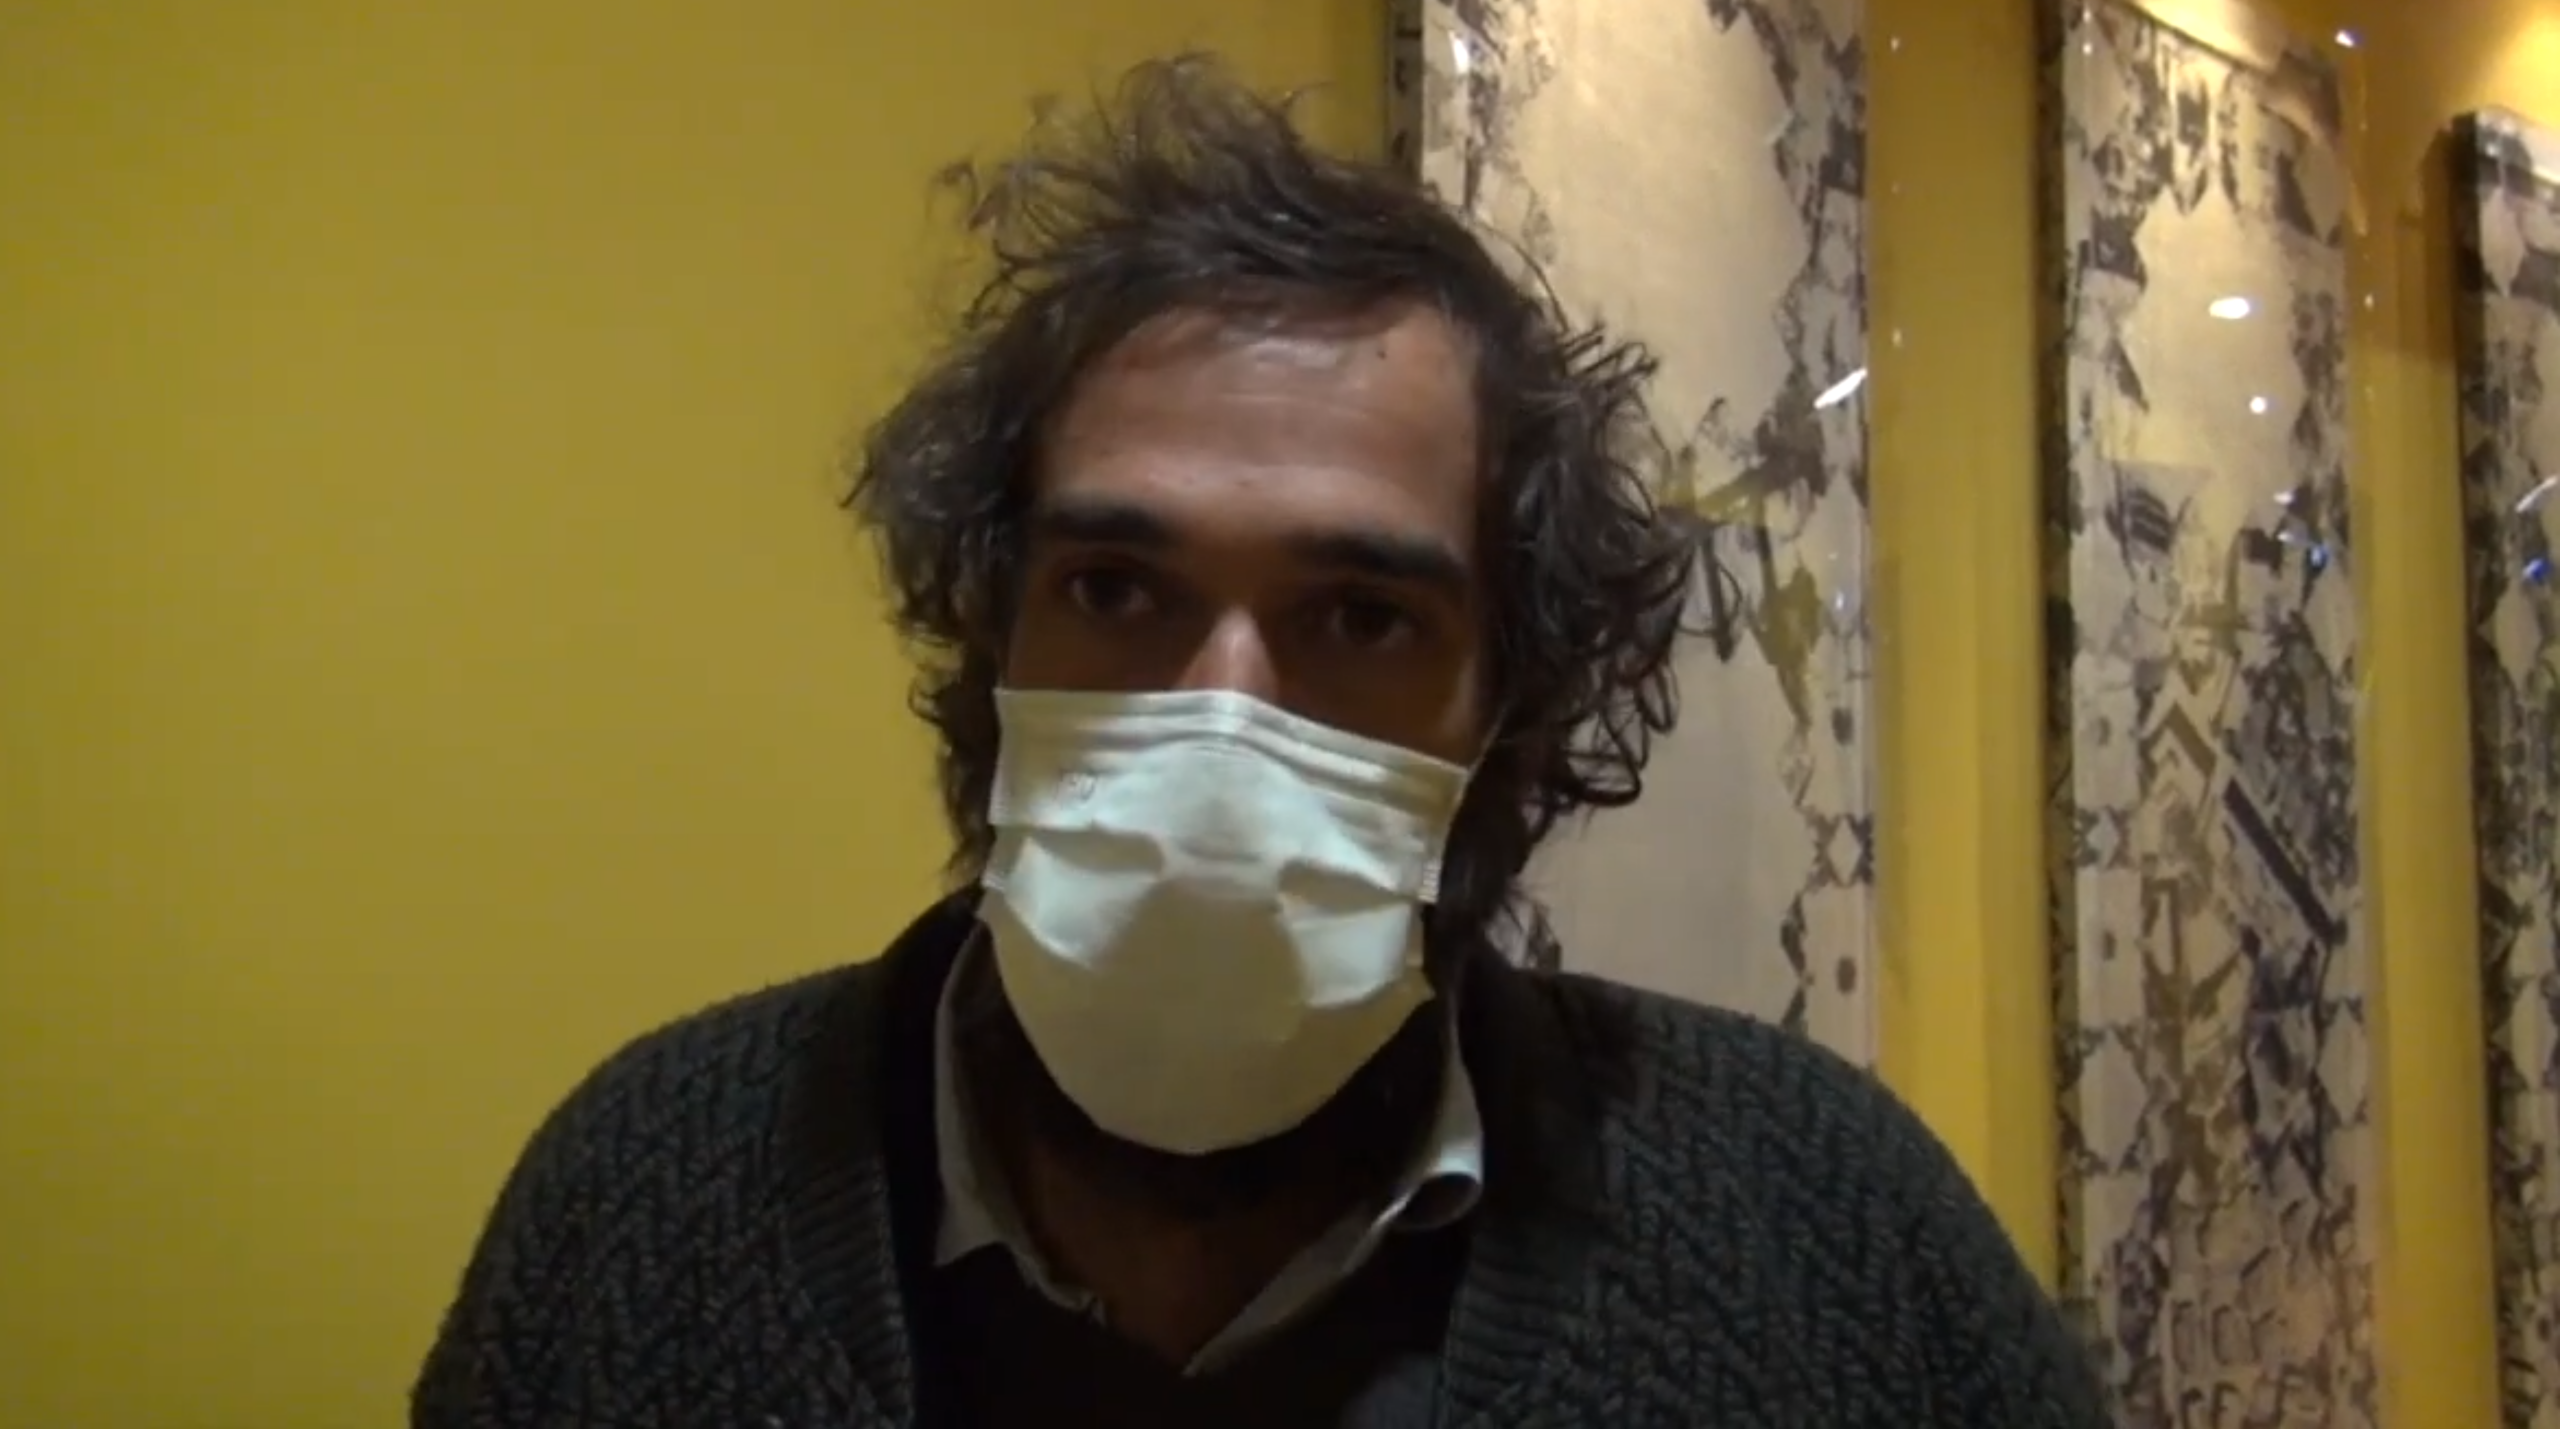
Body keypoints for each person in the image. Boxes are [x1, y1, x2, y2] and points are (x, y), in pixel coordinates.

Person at [412, 54, 2106, 1429]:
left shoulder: (1826, 1232)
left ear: (1509, 708)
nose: (1220, 720)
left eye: (1360, 617)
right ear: (990, 640)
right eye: (1116, 589)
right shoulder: (644, 1210)